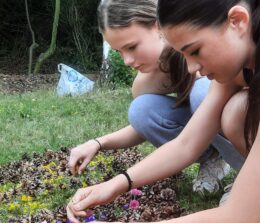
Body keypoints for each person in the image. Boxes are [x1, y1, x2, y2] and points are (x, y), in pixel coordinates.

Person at [67, 0, 260, 223]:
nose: (190, 68)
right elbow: (187, 144)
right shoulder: (249, 57)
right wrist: (117, 184)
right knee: (238, 113)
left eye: (195, 51)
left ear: (237, 21)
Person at [68, 0, 244, 195]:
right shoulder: (149, 80)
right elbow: (150, 127)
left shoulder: (204, 44)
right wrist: (98, 143)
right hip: (203, 129)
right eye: (119, 52)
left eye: (132, 47)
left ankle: (247, 174)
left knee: (202, 93)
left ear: (157, 26)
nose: (126, 61)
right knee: (141, 109)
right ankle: (213, 158)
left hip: (251, 121)